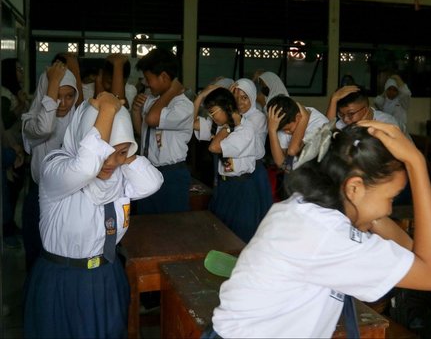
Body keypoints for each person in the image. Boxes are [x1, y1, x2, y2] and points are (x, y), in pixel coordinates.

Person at [208, 121, 431, 338]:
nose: (389, 209)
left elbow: (412, 255)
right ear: (354, 188)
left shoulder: (306, 210)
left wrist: (369, 214)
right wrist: (417, 165)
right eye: (391, 198)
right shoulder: (325, 236)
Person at [23, 92, 163, 338]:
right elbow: (86, 166)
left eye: (119, 153)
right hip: (62, 280)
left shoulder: (118, 176)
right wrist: (107, 111)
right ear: (83, 140)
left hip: (106, 276)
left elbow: (152, 182)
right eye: (104, 151)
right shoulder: (56, 167)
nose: (109, 163)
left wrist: (124, 146)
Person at [21, 59, 80, 271]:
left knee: (64, 259)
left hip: (71, 199)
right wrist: (52, 81)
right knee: (38, 256)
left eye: (69, 96)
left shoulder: (80, 122)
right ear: (45, 95)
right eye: (56, 96)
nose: (63, 104)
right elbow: (45, 128)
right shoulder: (31, 121)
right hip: (39, 196)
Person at [193, 87, 262, 243]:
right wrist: (201, 96)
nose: (212, 117)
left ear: (228, 107)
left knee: (238, 236)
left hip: (240, 188)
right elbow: (191, 123)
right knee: (220, 234)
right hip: (224, 185)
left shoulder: (245, 129)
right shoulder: (221, 125)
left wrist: (226, 127)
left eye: (213, 112)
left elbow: (214, 147)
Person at [132, 48, 194, 214]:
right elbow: (142, 133)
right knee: (148, 224)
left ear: (165, 77)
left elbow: (152, 119)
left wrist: (173, 90)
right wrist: (136, 111)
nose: (146, 83)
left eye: (148, 79)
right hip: (150, 169)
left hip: (172, 174)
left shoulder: (183, 106)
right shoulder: (154, 99)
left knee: (172, 226)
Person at [231, 78, 273, 217]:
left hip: (254, 172)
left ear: (252, 97)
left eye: (244, 97)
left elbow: (242, 137)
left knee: (252, 216)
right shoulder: (233, 116)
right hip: (238, 171)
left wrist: (228, 109)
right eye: (235, 97)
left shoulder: (258, 117)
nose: (239, 102)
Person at [1, 58, 28, 243]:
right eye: (18, 69)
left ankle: (10, 225)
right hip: (7, 145)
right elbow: (6, 121)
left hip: (16, 145)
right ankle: (7, 228)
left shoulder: (14, 92)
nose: (21, 72)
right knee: (8, 191)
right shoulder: (4, 94)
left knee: (15, 186)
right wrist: (20, 104)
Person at [266, 94, 329, 172]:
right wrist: (272, 130)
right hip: (298, 173)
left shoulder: (319, 123)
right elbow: (281, 163)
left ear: (298, 117)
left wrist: (304, 119)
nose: (286, 132)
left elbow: (292, 151)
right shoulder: (282, 123)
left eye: (288, 129)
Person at [326, 85, 410, 136]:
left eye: (351, 114)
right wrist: (333, 99)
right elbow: (326, 133)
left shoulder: (387, 123)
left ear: (366, 109)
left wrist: (361, 126)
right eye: (341, 114)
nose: (345, 119)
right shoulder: (343, 123)